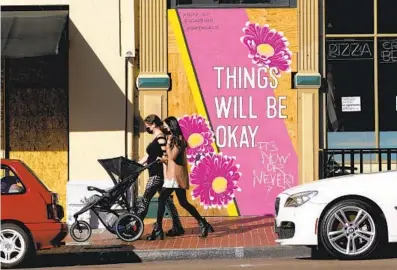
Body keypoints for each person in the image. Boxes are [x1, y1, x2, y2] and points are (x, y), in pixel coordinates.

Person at [148, 116, 214, 241]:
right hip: (172, 175)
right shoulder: (173, 138)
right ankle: (203, 223)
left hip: (175, 177)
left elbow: (173, 156)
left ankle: (158, 229)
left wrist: (167, 145)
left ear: (171, 125)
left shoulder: (178, 139)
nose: (164, 127)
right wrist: (163, 159)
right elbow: (171, 158)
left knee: (162, 199)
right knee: (183, 202)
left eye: (166, 125)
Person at [136, 114, 185, 237]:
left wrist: (165, 174)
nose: (147, 128)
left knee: (146, 199)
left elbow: (166, 156)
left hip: (157, 174)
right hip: (155, 173)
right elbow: (149, 156)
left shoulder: (161, 138)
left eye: (147, 125)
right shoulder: (157, 137)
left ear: (153, 124)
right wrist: (137, 165)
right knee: (167, 201)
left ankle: (135, 226)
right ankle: (177, 226)